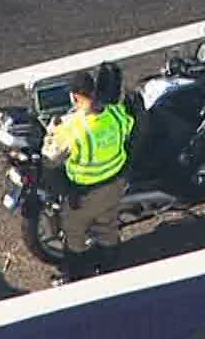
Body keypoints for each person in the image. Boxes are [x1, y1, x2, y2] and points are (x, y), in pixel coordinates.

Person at [39, 70, 134, 286]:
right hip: (115, 186)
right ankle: (108, 268)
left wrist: (52, 131)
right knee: (108, 227)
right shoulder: (117, 115)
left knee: (74, 235)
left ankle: (78, 277)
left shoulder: (72, 128)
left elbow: (50, 157)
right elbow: (128, 127)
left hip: (85, 195)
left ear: (74, 96)